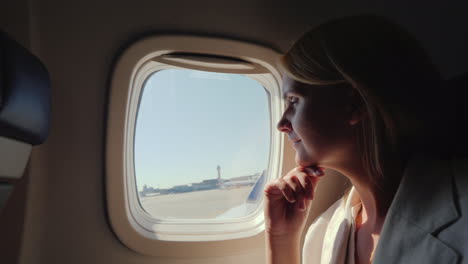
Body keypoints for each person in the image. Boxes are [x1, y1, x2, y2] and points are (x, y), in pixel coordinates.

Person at [264, 14, 467, 264]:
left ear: (354, 103)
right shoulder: (324, 230)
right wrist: (281, 238)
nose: (282, 124)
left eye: (294, 101)